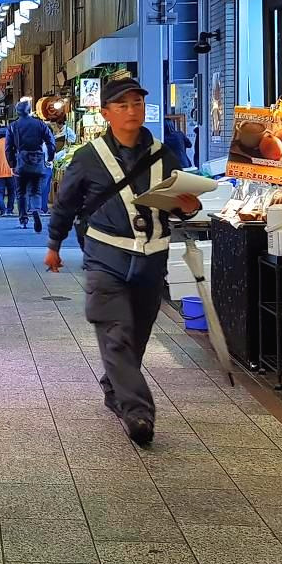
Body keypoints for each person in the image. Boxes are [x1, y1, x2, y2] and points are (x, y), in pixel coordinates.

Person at [44, 76, 200, 446]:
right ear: (106, 113)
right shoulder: (88, 158)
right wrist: (54, 244)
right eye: (123, 105)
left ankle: (115, 386)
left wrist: (189, 207)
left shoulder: (165, 154)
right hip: (105, 257)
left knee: (137, 334)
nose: (132, 111)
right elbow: (66, 204)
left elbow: (181, 202)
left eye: (137, 103)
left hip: (151, 258)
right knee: (115, 332)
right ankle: (138, 413)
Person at [6, 100, 56, 232]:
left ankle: (23, 219)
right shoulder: (40, 124)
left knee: (21, 192)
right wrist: (50, 157)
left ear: (17, 112)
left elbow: (8, 147)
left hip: (21, 162)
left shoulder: (13, 126)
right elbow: (50, 141)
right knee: (36, 190)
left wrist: (12, 164)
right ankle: (35, 210)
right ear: (29, 111)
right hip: (37, 161)